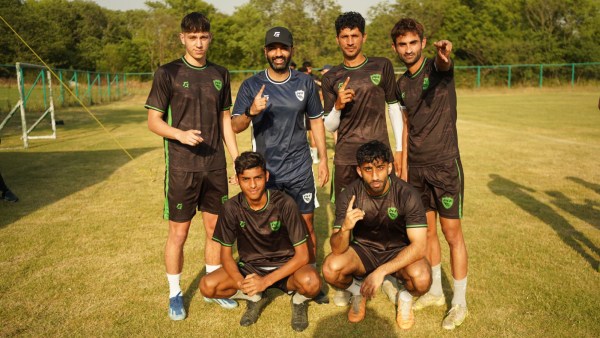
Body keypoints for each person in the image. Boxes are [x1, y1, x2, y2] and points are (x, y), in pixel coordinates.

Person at [145, 12, 239, 320]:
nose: (198, 43)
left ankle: (211, 287)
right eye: (192, 37)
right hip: (183, 167)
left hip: (214, 165)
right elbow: (153, 121)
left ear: (210, 38)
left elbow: (226, 119)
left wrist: (236, 158)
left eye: (204, 37)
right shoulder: (167, 72)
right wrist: (180, 135)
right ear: (183, 39)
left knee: (214, 229)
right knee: (179, 232)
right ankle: (175, 293)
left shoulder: (221, 73)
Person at [231, 26, 329, 302]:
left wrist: (322, 159)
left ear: (291, 50)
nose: (278, 53)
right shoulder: (251, 85)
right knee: (271, 228)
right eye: (273, 49)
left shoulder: (305, 83)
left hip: (299, 168)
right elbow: (235, 125)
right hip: (267, 173)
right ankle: (275, 278)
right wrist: (252, 111)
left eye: (283, 48)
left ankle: (310, 281)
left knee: (307, 224)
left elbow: (316, 122)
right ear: (266, 51)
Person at [321, 11, 407, 306]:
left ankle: (386, 272)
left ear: (364, 37)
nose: (349, 41)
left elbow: (395, 108)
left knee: (385, 213)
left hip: (379, 158)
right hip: (346, 158)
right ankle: (355, 281)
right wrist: (337, 105)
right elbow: (328, 124)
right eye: (344, 36)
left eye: (354, 35)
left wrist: (398, 150)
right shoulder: (331, 76)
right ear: (337, 40)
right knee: (347, 218)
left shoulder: (381, 66)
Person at [391, 17, 469, 330]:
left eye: (413, 42)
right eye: (402, 44)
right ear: (395, 47)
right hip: (417, 169)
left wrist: (444, 54)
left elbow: (444, 62)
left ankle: (459, 302)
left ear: (423, 43)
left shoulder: (437, 70)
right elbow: (407, 127)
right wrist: (404, 167)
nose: (408, 49)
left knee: (453, 235)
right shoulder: (400, 84)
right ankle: (436, 291)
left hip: (445, 165)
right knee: (428, 234)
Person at [200, 152, 321, 332]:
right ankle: (254, 297)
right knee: (207, 286)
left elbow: (303, 255)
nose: (253, 185)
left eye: (258, 177)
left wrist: (265, 282)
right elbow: (225, 255)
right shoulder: (231, 207)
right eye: (246, 179)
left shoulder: (285, 203)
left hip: (285, 267)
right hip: (250, 268)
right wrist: (242, 284)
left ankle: (298, 301)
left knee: (312, 283)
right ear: (238, 180)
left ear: (266, 176)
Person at [322, 140, 431, 329]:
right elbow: (337, 249)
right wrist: (346, 228)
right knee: (330, 269)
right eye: (368, 169)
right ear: (359, 171)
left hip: (398, 250)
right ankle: (358, 291)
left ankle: (404, 297)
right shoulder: (349, 195)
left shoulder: (407, 194)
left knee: (422, 280)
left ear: (389, 167)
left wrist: (381, 271)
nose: (375, 176)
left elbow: (420, 246)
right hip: (363, 251)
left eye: (380, 168)